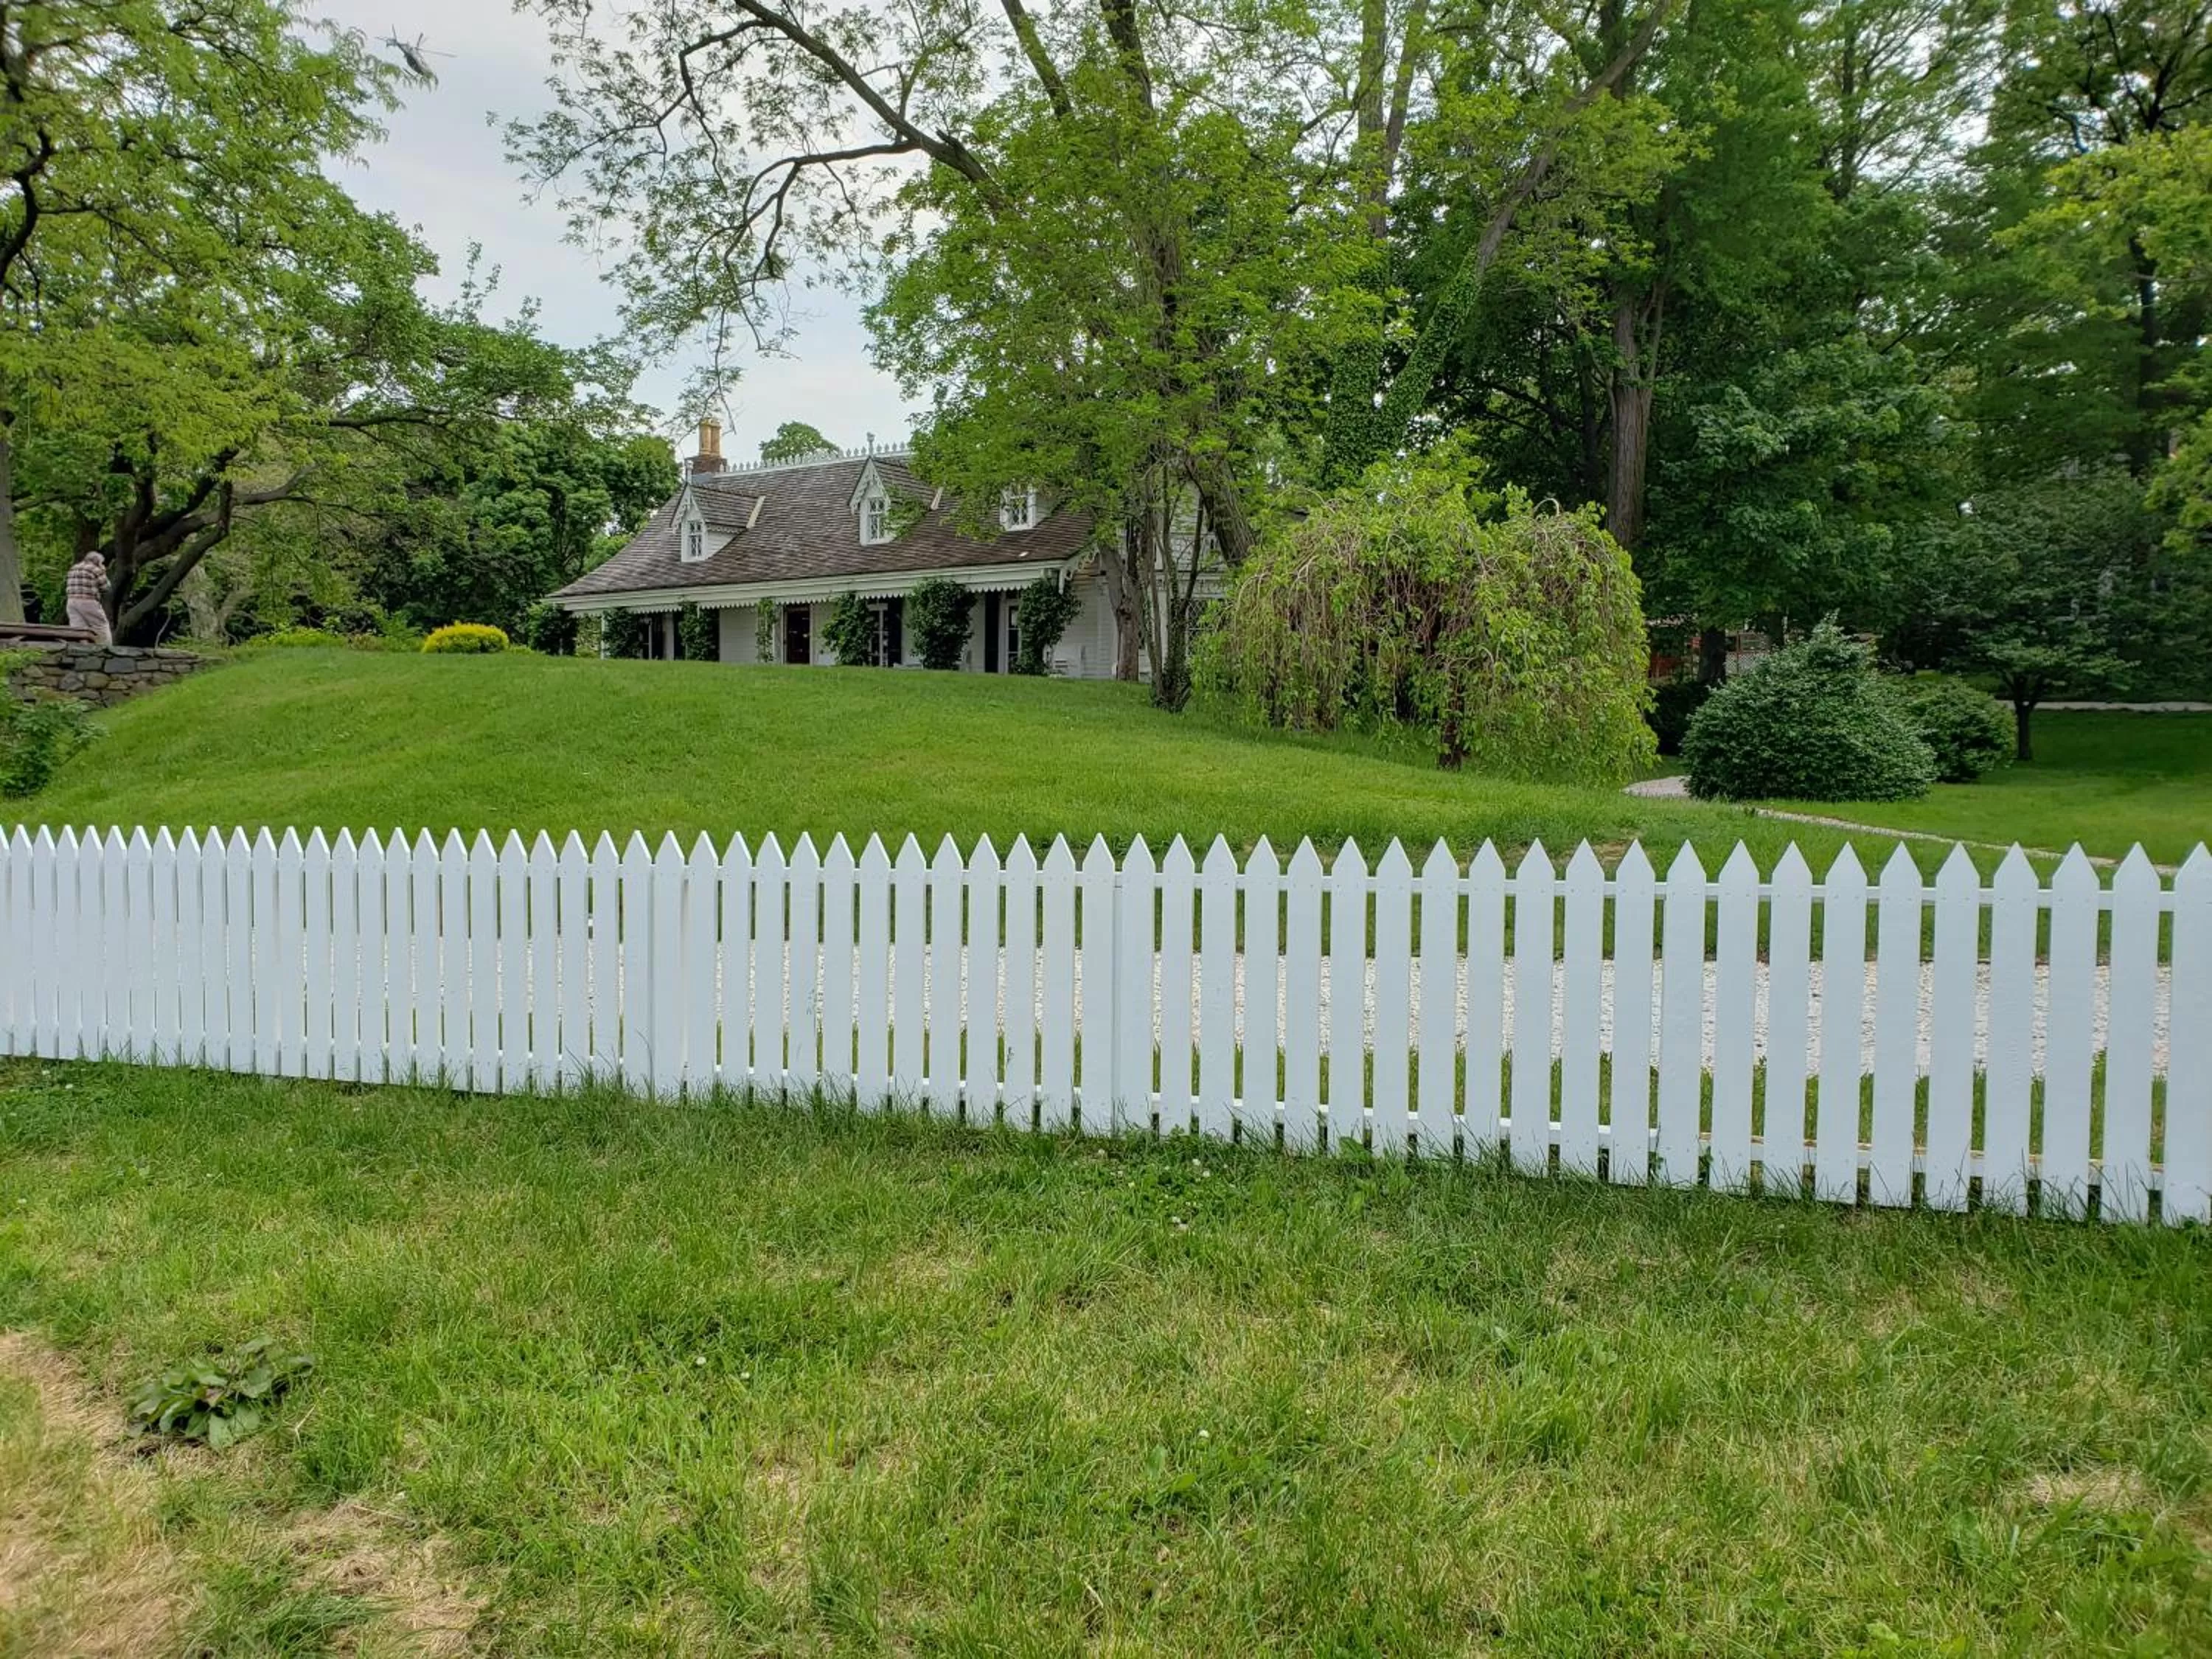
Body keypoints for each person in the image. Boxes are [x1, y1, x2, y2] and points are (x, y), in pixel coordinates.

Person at [65, 549, 111, 645]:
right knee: (101, 626)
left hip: (71, 602)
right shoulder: (95, 569)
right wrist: (103, 571)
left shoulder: (74, 568)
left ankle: (81, 649)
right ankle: (106, 648)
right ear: (97, 562)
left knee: (78, 629)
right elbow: (106, 587)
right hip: (88, 601)